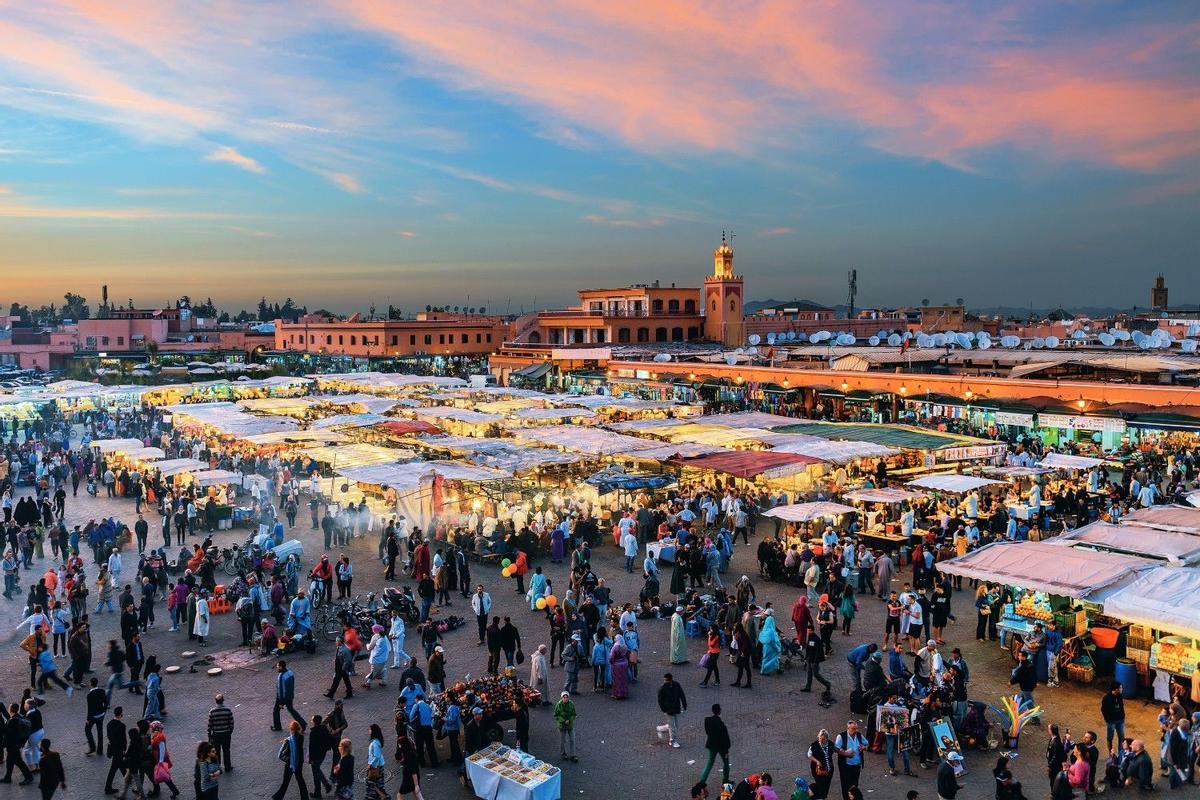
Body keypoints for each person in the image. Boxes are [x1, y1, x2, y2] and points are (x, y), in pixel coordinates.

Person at [273, 720, 309, 800]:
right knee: (300, 780)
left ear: (291, 729)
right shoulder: (301, 737)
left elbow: (281, 755)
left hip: (290, 763)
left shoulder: (289, 740)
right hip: (299, 763)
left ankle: (278, 797)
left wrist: (284, 743)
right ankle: (305, 797)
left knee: (286, 782)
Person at [834, 721, 868, 800]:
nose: (856, 730)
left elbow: (867, 744)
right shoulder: (841, 736)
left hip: (856, 765)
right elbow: (835, 749)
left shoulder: (859, 735)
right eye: (853, 729)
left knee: (854, 785)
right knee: (845, 786)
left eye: (856, 728)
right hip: (845, 766)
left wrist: (863, 748)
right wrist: (846, 754)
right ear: (848, 728)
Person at [700, 704, 731, 786]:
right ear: (719, 711)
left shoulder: (707, 720)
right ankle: (725, 780)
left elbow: (707, 731)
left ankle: (702, 781)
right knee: (726, 763)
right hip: (722, 748)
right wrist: (727, 749)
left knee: (709, 764)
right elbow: (725, 738)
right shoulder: (721, 725)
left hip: (711, 745)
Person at [273, 660, 307, 732]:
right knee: (291, 710)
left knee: (275, 711)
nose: (277, 668)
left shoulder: (281, 676)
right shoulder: (290, 673)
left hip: (282, 697)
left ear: (281, 667)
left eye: (278, 667)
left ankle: (277, 727)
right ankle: (302, 723)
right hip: (290, 695)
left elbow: (281, 690)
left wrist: (281, 702)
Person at [657, 672, 688, 748]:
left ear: (670, 680)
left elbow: (681, 694)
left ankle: (660, 728)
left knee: (674, 725)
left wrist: (684, 705)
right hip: (669, 710)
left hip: (675, 708)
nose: (664, 682)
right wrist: (664, 709)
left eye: (665, 680)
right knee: (673, 725)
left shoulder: (676, 685)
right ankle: (672, 741)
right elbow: (660, 700)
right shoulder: (663, 688)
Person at [307, 715, 334, 798]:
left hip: (316, 756)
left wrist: (311, 759)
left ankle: (318, 792)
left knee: (315, 773)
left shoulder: (313, 732)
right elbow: (329, 737)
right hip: (322, 754)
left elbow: (312, 747)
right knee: (317, 770)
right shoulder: (324, 728)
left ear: (314, 722)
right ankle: (326, 786)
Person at [207, 694, 235, 773]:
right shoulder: (227, 710)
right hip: (226, 734)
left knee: (217, 752)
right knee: (226, 750)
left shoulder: (212, 711)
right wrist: (229, 732)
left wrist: (209, 735)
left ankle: (218, 768)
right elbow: (231, 723)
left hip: (216, 735)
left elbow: (210, 725)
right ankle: (227, 767)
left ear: (216, 701)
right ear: (223, 700)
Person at [808, 730, 836, 800]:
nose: (821, 740)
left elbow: (836, 750)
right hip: (818, 771)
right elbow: (809, 755)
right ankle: (820, 797)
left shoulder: (830, 744)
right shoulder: (814, 745)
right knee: (820, 785)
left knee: (826, 785)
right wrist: (817, 761)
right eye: (820, 738)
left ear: (827, 738)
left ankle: (823, 796)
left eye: (823, 739)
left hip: (829, 771)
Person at [1101, 681, 1126, 752]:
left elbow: (1121, 706)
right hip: (1111, 721)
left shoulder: (1119, 696)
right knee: (1110, 738)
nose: (1122, 689)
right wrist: (1108, 719)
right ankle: (1110, 754)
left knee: (1122, 737)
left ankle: (1121, 754)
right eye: (1120, 688)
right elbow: (1103, 710)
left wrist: (1123, 716)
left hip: (1120, 720)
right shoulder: (1106, 698)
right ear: (1116, 689)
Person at [554, 691, 578, 762]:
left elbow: (574, 714)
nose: (565, 698)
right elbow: (556, 715)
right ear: (561, 698)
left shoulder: (571, 704)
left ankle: (572, 755)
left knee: (572, 740)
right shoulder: (558, 705)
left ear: (568, 697)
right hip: (562, 726)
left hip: (570, 725)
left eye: (566, 697)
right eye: (564, 697)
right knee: (563, 741)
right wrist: (564, 720)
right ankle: (563, 754)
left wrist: (569, 720)